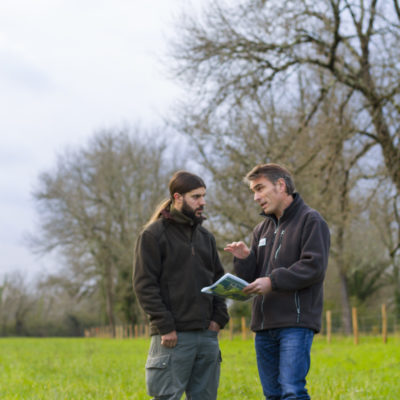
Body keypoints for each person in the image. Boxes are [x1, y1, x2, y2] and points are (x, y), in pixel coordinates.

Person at [224, 163, 330, 400]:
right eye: (253, 191)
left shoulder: (311, 220)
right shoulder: (261, 230)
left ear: (281, 185)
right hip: (263, 327)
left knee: (292, 391)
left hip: (295, 324)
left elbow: (314, 267)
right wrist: (244, 260)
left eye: (260, 188)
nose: (256, 197)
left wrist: (272, 281)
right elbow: (252, 279)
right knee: (272, 395)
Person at [134, 170, 229, 400]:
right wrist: (165, 326)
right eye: (196, 196)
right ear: (178, 197)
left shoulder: (206, 238)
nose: (202, 202)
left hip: (207, 336)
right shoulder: (153, 235)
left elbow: (219, 281)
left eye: (204, 196)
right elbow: (144, 285)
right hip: (172, 337)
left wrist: (218, 319)